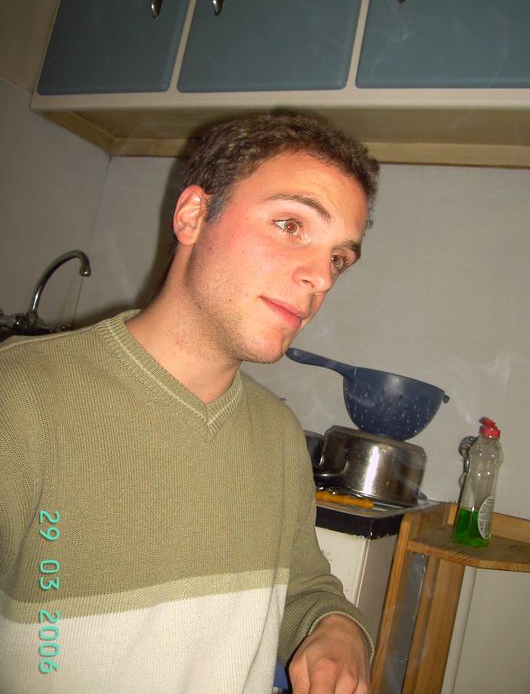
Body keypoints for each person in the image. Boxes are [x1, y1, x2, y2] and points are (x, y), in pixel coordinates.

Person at [0, 111, 380, 694]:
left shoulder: (278, 433)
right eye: (290, 224)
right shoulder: (21, 397)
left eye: (338, 258)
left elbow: (303, 589)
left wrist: (336, 627)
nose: (321, 279)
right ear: (193, 216)